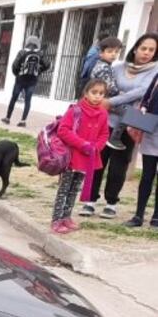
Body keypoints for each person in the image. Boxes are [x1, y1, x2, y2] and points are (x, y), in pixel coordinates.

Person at [79, 32, 158, 219]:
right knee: (97, 161)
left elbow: (142, 91)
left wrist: (111, 102)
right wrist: (109, 101)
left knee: (118, 166)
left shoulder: (154, 72)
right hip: (105, 122)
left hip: (129, 124)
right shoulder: (117, 66)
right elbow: (104, 88)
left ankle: (111, 202)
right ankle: (90, 200)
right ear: (135, 48)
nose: (146, 53)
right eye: (143, 48)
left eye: (151, 50)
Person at [51, 79, 110, 234]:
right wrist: (82, 144)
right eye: (94, 92)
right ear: (86, 93)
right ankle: (56, 220)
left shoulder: (103, 113)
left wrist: (96, 147)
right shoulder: (75, 110)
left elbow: (104, 133)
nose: (97, 96)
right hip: (72, 157)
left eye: (101, 94)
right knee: (64, 189)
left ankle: (66, 217)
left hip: (88, 159)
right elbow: (63, 130)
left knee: (74, 189)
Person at [126, 71, 158, 228]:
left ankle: (156, 217)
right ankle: (138, 215)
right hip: (152, 129)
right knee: (147, 175)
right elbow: (146, 98)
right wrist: (144, 107)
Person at [85, 37, 126, 150]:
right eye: (109, 51)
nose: (113, 54)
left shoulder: (104, 65)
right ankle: (114, 138)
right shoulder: (104, 67)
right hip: (103, 100)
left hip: (101, 99)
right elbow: (108, 86)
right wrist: (120, 93)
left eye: (116, 52)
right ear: (101, 53)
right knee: (127, 112)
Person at [1, 35, 50, 128]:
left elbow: (14, 65)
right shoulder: (40, 54)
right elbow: (47, 65)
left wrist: (18, 74)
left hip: (20, 80)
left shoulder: (22, 52)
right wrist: (39, 71)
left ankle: (7, 118)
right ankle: (23, 121)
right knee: (28, 100)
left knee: (14, 98)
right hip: (32, 80)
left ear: (27, 43)